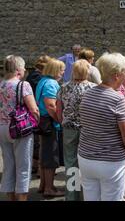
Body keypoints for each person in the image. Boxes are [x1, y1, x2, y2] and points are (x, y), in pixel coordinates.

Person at [77, 53, 125, 201]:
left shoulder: (87, 94)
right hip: (110, 160)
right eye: (124, 75)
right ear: (116, 75)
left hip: (86, 157)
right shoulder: (117, 98)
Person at [0, 56, 40, 201]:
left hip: (2, 128)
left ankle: (11, 198)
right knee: (24, 167)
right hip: (19, 128)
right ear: (18, 70)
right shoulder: (23, 85)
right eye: (23, 68)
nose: (24, 70)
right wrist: (37, 121)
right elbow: (34, 109)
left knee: (9, 165)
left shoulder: (1, 84)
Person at [56, 59, 96, 201]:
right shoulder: (93, 88)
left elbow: (59, 110)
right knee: (88, 163)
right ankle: (88, 196)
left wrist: (64, 123)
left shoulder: (63, 87)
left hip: (69, 129)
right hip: (88, 129)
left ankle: (72, 197)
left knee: (71, 164)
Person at [35, 58, 66, 197]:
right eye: (62, 70)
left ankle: (43, 185)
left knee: (44, 154)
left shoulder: (43, 80)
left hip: (42, 122)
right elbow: (50, 105)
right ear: (55, 70)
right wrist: (60, 120)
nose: (63, 72)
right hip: (49, 123)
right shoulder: (51, 83)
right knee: (50, 156)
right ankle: (49, 188)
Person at [25, 55, 50, 173]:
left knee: (36, 140)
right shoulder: (38, 77)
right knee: (38, 141)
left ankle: (35, 165)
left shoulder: (32, 76)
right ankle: (39, 167)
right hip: (36, 110)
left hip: (32, 109)